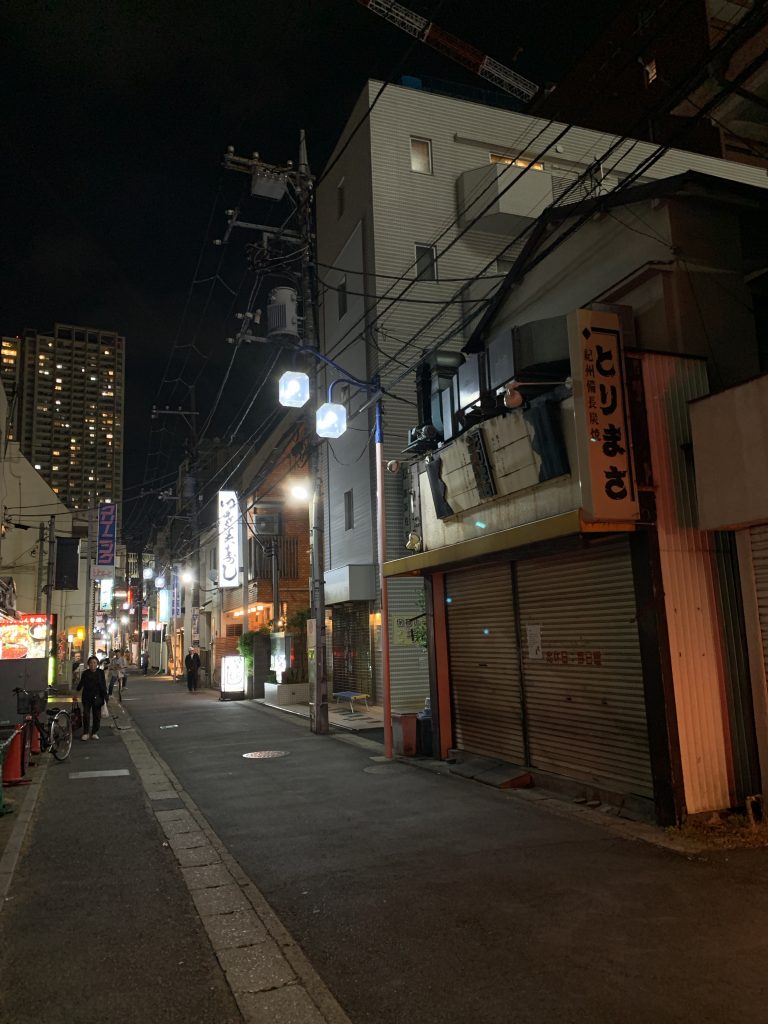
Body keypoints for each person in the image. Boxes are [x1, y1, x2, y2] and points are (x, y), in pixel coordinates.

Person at [76, 655, 108, 741]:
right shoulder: (85, 673)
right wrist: (76, 691)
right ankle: (86, 732)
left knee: (96, 716)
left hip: (97, 697)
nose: (93, 664)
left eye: (94, 663)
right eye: (91, 663)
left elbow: (103, 685)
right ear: (88, 664)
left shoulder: (100, 672)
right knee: (86, 715)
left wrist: (105, 696)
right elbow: (81, 683)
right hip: (86, 696)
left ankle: (94, 732)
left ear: (97, 664)